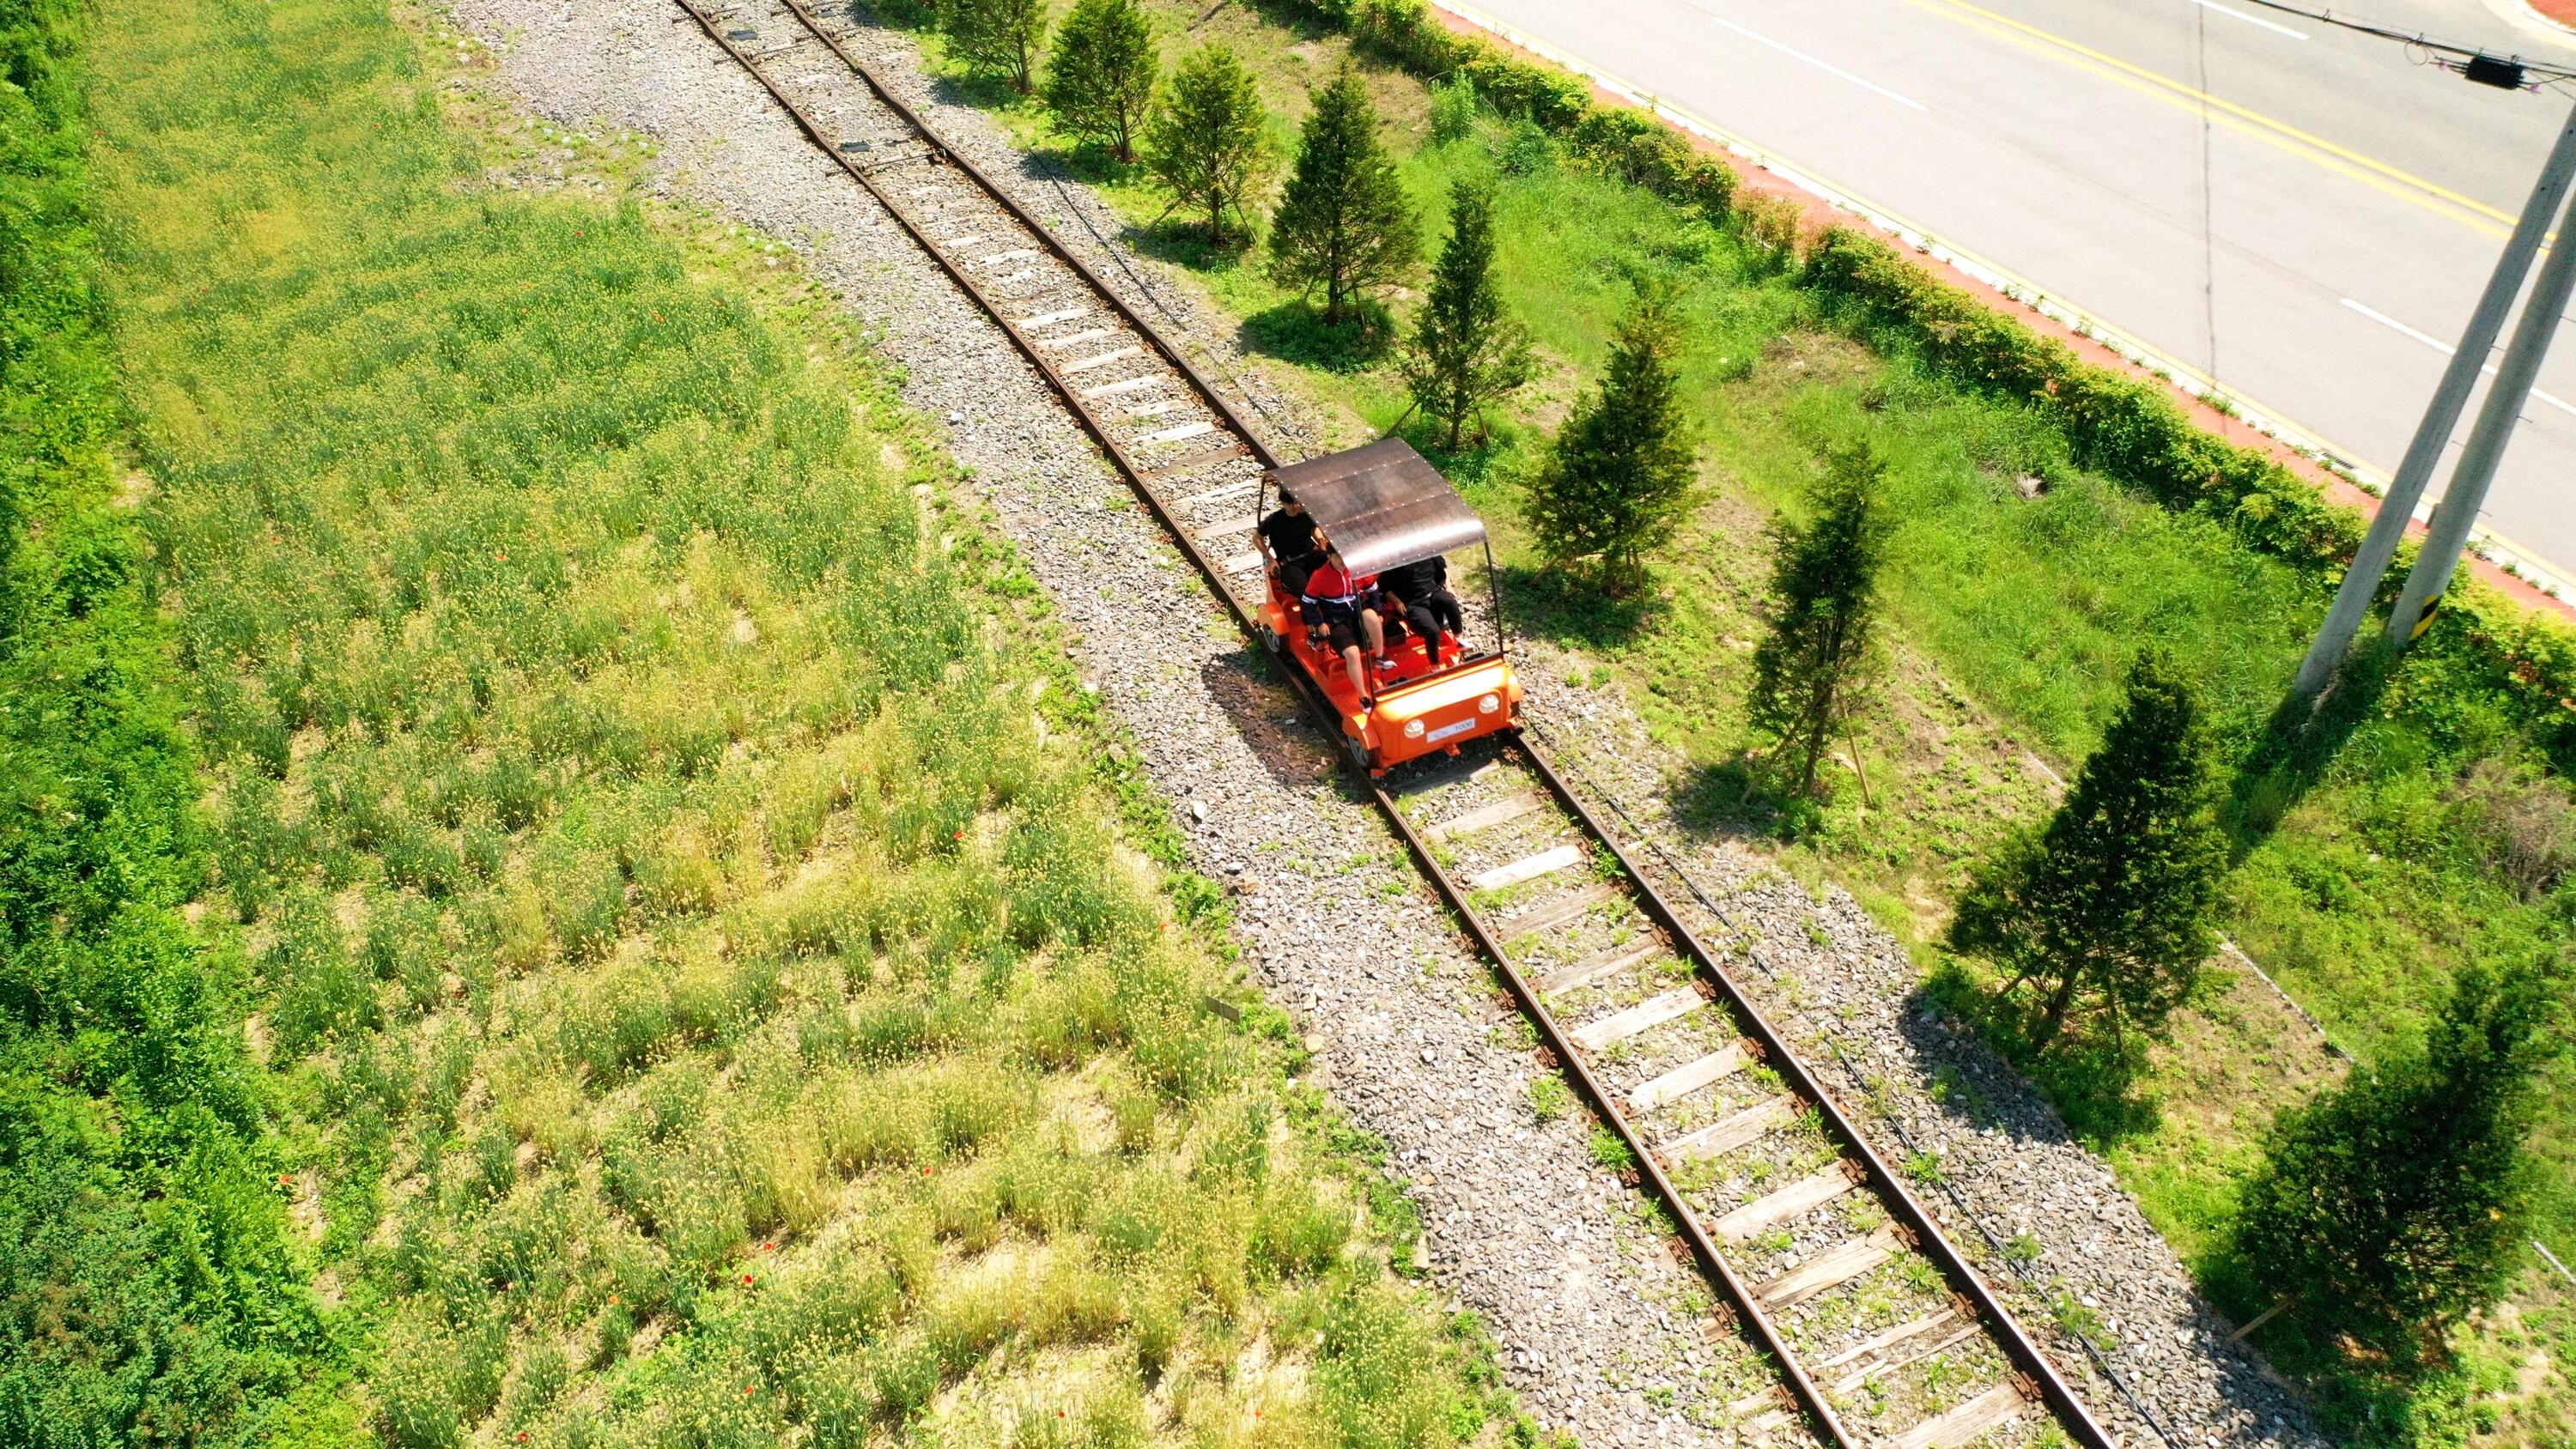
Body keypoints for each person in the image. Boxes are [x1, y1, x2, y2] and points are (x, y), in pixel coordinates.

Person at [1300, 547, 1393, 706]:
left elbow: (1373, 589)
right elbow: (1307, 603)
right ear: (1329, 557)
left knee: (1371, 616)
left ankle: (1380, 657)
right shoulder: (1320, 576)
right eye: (1338, 557)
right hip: (1336, 620)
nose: (1343, 562)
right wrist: (1319, 623)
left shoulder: (1356, 569)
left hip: (1356, 612)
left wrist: (1377, 610)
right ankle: (1363, 696)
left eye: (1346, 557)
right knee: (1353, 653)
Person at [1376, 553, 1466, 664]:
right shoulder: (1393, 564)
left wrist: (1449, 587)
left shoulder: (1426, 553)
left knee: (1450, 602)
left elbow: (1443, 568)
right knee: (1432, 630)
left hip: (1432, 592)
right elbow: (1385, 588)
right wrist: (1397, 602)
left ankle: (1459, 639)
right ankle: (1434, 664)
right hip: (1413, 602)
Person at [1256, 488, 1323, 597]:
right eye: (1291, 504)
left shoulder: (1305, 515)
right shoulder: (1274, 520)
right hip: (1290, 562)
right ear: (1283, 504)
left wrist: (1321, 542)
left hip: (1310, 554)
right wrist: (1270, 559)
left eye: (1297, 503)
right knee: (1306, 593)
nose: (1295, 506)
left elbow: (1314, 529)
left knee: (1332, 567)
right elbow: (1257, 538)